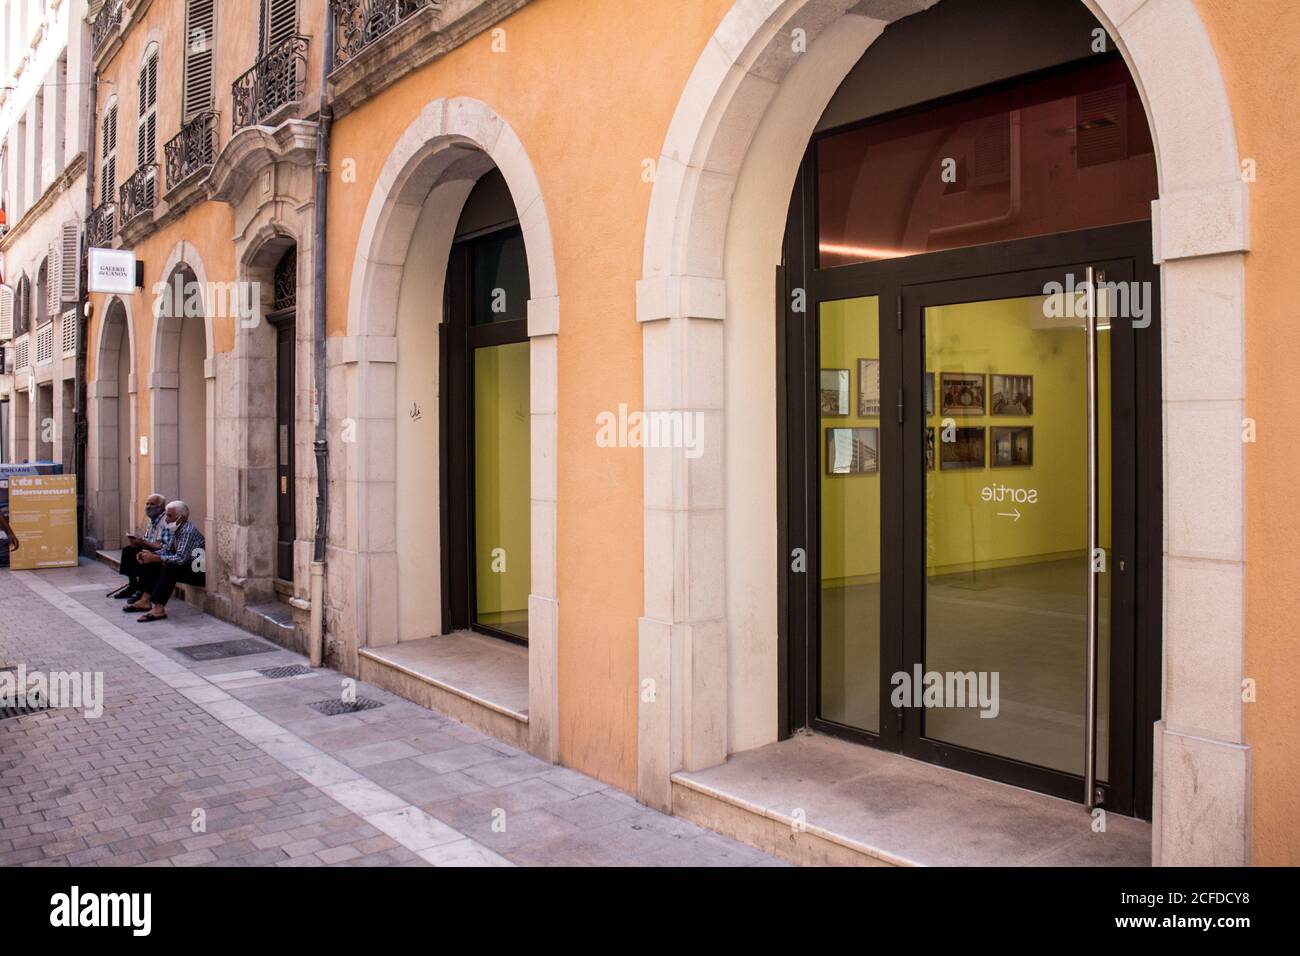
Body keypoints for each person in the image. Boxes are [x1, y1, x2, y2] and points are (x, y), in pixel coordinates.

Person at [125, 500, 206, 622]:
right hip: (188, 566)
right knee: (153, 561)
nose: (166, 519)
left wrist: (156, 558)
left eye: (169, 516)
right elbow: (166, 550)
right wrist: (149, 555)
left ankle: (159, 609)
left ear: (180, 518)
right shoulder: (177, 530)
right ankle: (145, 601)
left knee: (169, 566)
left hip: (198, 572)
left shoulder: (187, 531)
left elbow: (181, 559)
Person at [109, 493, 169, 600]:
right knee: (128, 551)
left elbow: (161, 546)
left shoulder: (165, 521)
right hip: (150, 549)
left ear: (161, 507)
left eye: (152, 504)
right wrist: (137, 541)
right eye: (147, 503)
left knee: (143, 555)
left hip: (159, 553)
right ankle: (133, 585)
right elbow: (147, 540)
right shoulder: (151, 521)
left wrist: (143, 543)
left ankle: (142, 589)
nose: (148, 506)